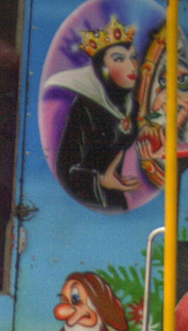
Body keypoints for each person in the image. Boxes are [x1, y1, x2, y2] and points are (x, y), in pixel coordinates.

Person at [46, 17, 142, 210]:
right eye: (119, 59)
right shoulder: (86, 107)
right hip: (90, 203)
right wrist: (100, 180)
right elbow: (66, 170)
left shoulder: (131, 105)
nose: (131, 67)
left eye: (133, 57)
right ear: (101, 68)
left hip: (116, 200)